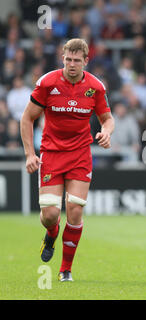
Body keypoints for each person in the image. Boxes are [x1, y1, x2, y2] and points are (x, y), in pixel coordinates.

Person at [20, 38, 115, 282]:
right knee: (51, 214)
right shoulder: (47, 83)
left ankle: (65, 270)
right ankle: (51, 234)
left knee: (74, 210)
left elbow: (107, 118)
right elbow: (27, 118)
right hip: (51, 154)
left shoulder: (95, 87)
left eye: (77, 60)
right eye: (68, 59)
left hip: (80, 154)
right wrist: (31, 154)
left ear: (86, 61)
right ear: (63, 58)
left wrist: (106, 132)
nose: (72, 65)